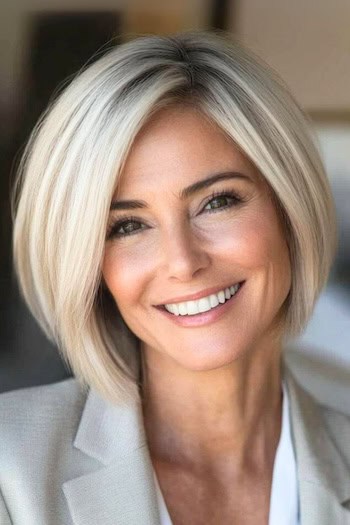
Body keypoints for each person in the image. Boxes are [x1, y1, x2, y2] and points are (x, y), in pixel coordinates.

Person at [0, 30, 349, 525]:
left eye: (218, 201)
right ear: (92, 266)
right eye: (128, 226)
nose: (182, 262)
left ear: (288, 210)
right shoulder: (8, 470)